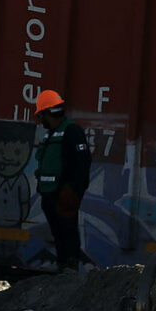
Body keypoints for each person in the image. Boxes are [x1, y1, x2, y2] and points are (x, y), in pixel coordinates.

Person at [33, 89, 91, 270]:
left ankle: (70, 268)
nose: (40, 120)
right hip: (50, 195)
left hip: (64, 195)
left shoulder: (71, 131)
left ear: (48, 113)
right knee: (59, 235)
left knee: (68, 232)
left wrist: (74, 190)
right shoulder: (51, 134)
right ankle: (63, 267)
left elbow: (83, 162)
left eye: (41, 115)